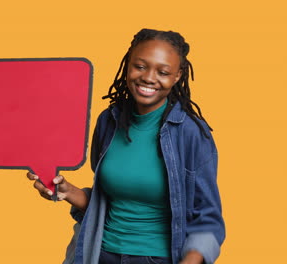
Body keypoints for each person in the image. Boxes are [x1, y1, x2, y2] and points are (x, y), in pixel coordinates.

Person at [27, 28, 225, 264]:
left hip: (157, 259)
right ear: (128, 63)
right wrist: (67, 191)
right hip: (98, 254)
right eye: (140, 66)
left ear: (178, 76)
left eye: (162, 71)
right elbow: (107, 201)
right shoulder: (109, 120)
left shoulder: (191, 132)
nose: (149, 78)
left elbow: (208, 219)